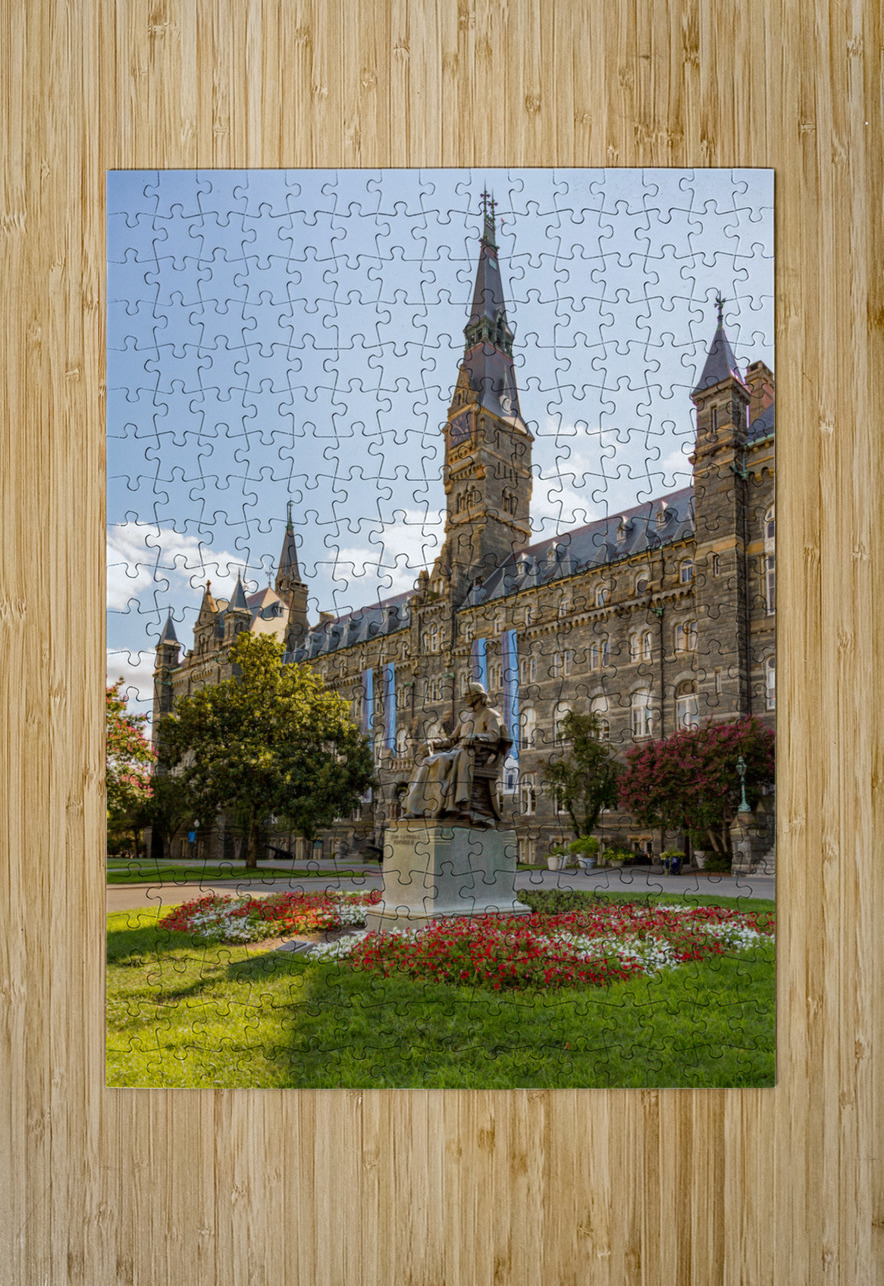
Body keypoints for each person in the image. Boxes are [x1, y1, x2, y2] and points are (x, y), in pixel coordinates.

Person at [403, 682, 510, 822]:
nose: (464, 697)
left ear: (478, 695)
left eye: (467, 694)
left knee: (441, 761)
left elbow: (494, 735)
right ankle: (416, 808)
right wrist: (433, 742)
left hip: (475, 756)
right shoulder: (465, 717)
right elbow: (451, 740)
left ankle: (439, 808)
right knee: (426, 761)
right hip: (457, 752)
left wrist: (476, 737)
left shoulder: (491, 715)